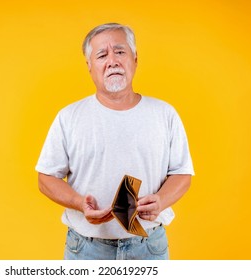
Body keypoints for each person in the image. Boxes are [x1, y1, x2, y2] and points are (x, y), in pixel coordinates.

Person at [35, 23, 194, 260]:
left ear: (135, 59)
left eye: (120, 51)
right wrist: (79, 203)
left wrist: (161, 200)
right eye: (102, 55)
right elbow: (46, 178)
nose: (112, 61)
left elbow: (182, 173)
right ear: (90, 66)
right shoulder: (68, 117)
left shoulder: (165, 114)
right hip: (86, 249)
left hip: (149, 247)